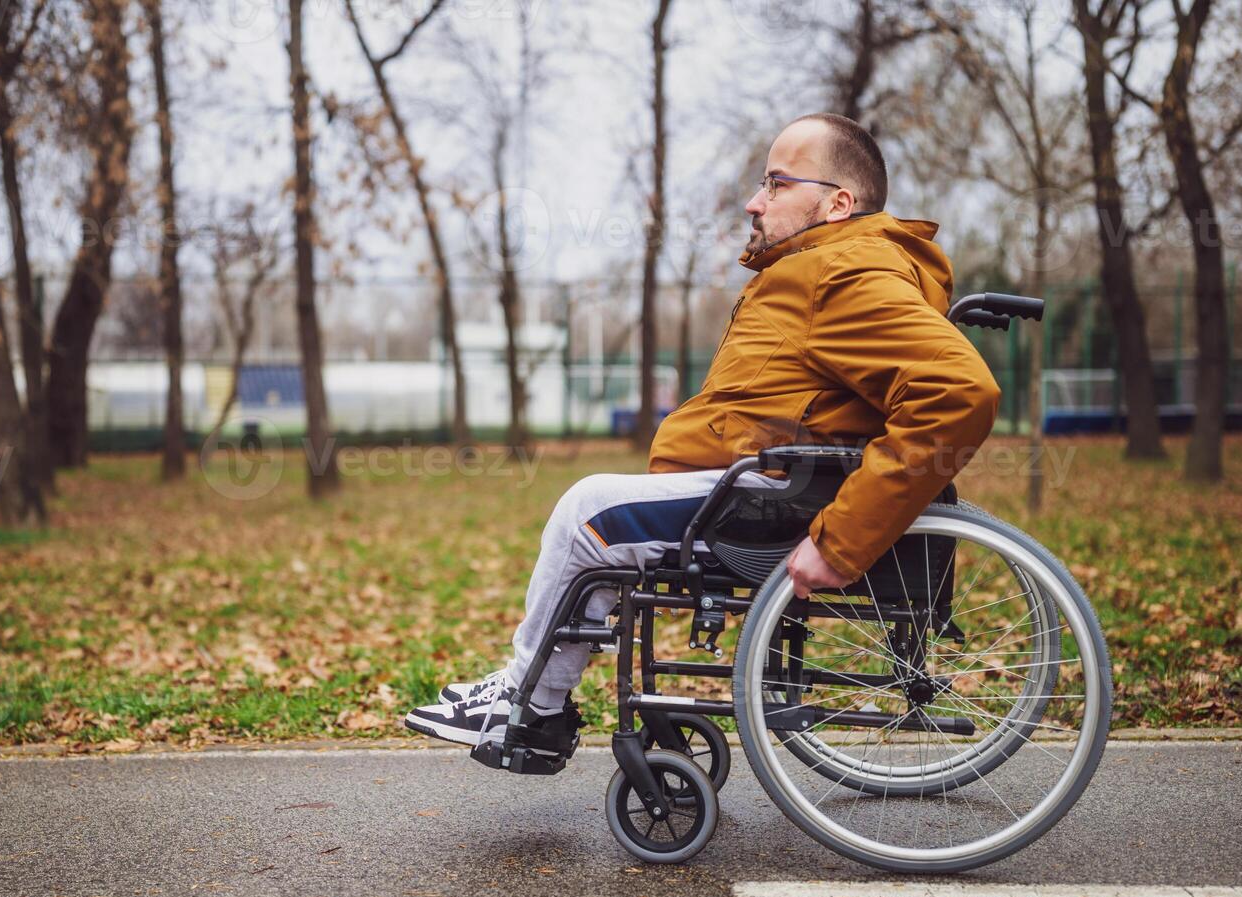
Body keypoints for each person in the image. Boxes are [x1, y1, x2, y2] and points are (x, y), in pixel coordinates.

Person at [404, 112, 1000, 749]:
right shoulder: (825, 266)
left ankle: (531, 704)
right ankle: (535, 695)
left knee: (589, 513)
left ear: (838, 203)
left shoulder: (844, 272)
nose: (754, 201)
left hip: (776, 503)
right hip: (769, 486)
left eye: (775, 184)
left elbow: (960, 393)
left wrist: (841, 541)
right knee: (612, 519)